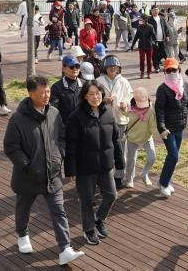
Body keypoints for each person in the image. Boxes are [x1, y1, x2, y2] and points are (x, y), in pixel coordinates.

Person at [2, 76, 85, 265]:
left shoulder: (54, 113)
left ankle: (65, 248)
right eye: (42, 92)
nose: (47, 95)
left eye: (48, 91)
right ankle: (22, 235)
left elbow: (61, 137)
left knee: (59, 210)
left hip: (52, 174)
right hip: (28, 176)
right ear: (31, 94)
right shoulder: (18, 119)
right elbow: (10, 146)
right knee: (23, 209)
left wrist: (59, 155)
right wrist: (26, 165)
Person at [64, 80, 124, 246]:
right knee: (87, 200)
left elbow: (115, 139)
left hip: (105, 165)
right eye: (91, 94)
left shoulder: (108, 113)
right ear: (84, 96)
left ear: (102, 94)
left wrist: (120, 161)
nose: (95, 97)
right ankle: (88, 229)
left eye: (98, 93)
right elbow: (71, 145)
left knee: (111, 195)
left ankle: (99, 219)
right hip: (85, 167)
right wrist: (70, 170)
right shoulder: (76, 117)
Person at [155, 57, 188, 197]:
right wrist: (162, 128)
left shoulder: (185, 85)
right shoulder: (162, 89)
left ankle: (167, 180)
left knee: (173, 156)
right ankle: (163, 183)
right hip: (168, 129)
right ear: (165, 72)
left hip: (180, 126)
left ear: (179, 70)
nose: (172, 72)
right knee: (173, 156)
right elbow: (159, 111)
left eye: (174, 70)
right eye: (168, 70)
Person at [96, 55, 133, 189]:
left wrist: (125, 105)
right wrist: (103, 101)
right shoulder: (98, 81)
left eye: (115, 66)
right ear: (105, 68)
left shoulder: (124, 82)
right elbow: (92, 98)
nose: (112, 68)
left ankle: (119, 176)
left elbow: (131, 99)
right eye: (110, 66)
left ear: (118, 68)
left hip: (121, 120)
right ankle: (106, 176)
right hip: (103, 120)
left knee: (121, 150)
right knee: (104, 149)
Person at [122, 87, 158, 188]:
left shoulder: (150, 109)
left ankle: (144, 174)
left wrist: (161, 134)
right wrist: (122, 108)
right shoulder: (130, 108)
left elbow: (153, 126)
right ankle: (129, 179)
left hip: (147, 137)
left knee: (152, 157)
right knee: (131, 160)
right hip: (132, 138)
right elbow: (125, 113)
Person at [50, 55, 84, 124]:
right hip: (66, 126)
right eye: (71, 67)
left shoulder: (85, 84)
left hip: (84, 125)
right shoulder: (56, 87)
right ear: (63, 69)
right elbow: (53, 109)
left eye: (77, 66)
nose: (75, 69)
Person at [149, 6, 170, 73]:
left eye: (157, 10)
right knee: (155, 54)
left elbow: (166, 28)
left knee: (164, 53)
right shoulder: (149, 19)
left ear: (158, 11)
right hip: (154, 40)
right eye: (154, 10)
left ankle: (168, 65)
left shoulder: (161, 18)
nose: (155, 11)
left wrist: (167, 36)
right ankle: (156, 67)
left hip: (162, 39)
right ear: (151, 11)